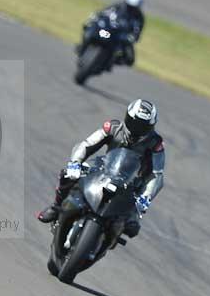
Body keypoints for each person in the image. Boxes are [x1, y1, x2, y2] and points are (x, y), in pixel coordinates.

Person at [36, 99, 164, 241]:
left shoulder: (155, 143)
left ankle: (110, 237)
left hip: (131, 183)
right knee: (68, 175)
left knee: (132, 226)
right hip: (103, 169)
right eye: (135, 123)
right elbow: (87, 144)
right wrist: (75, 163)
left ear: (151, 127)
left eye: (143, 126)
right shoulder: (113, 127)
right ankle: (56, 207)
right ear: (127, 117)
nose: (137, 129)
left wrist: (146, 197)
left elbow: (157, 174)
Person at [77, 0, 145, 67]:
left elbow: (138, 31)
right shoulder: (118, 6)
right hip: (108, 31)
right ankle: (82, 47)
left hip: (120, 36)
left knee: (130, 59)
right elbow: (103, 12)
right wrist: (95, 18)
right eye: (129, 6)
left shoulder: (139, 17)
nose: (131, 8)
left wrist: (133, 37)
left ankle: (111, 61)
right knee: (89, 28)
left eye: (134, 7)